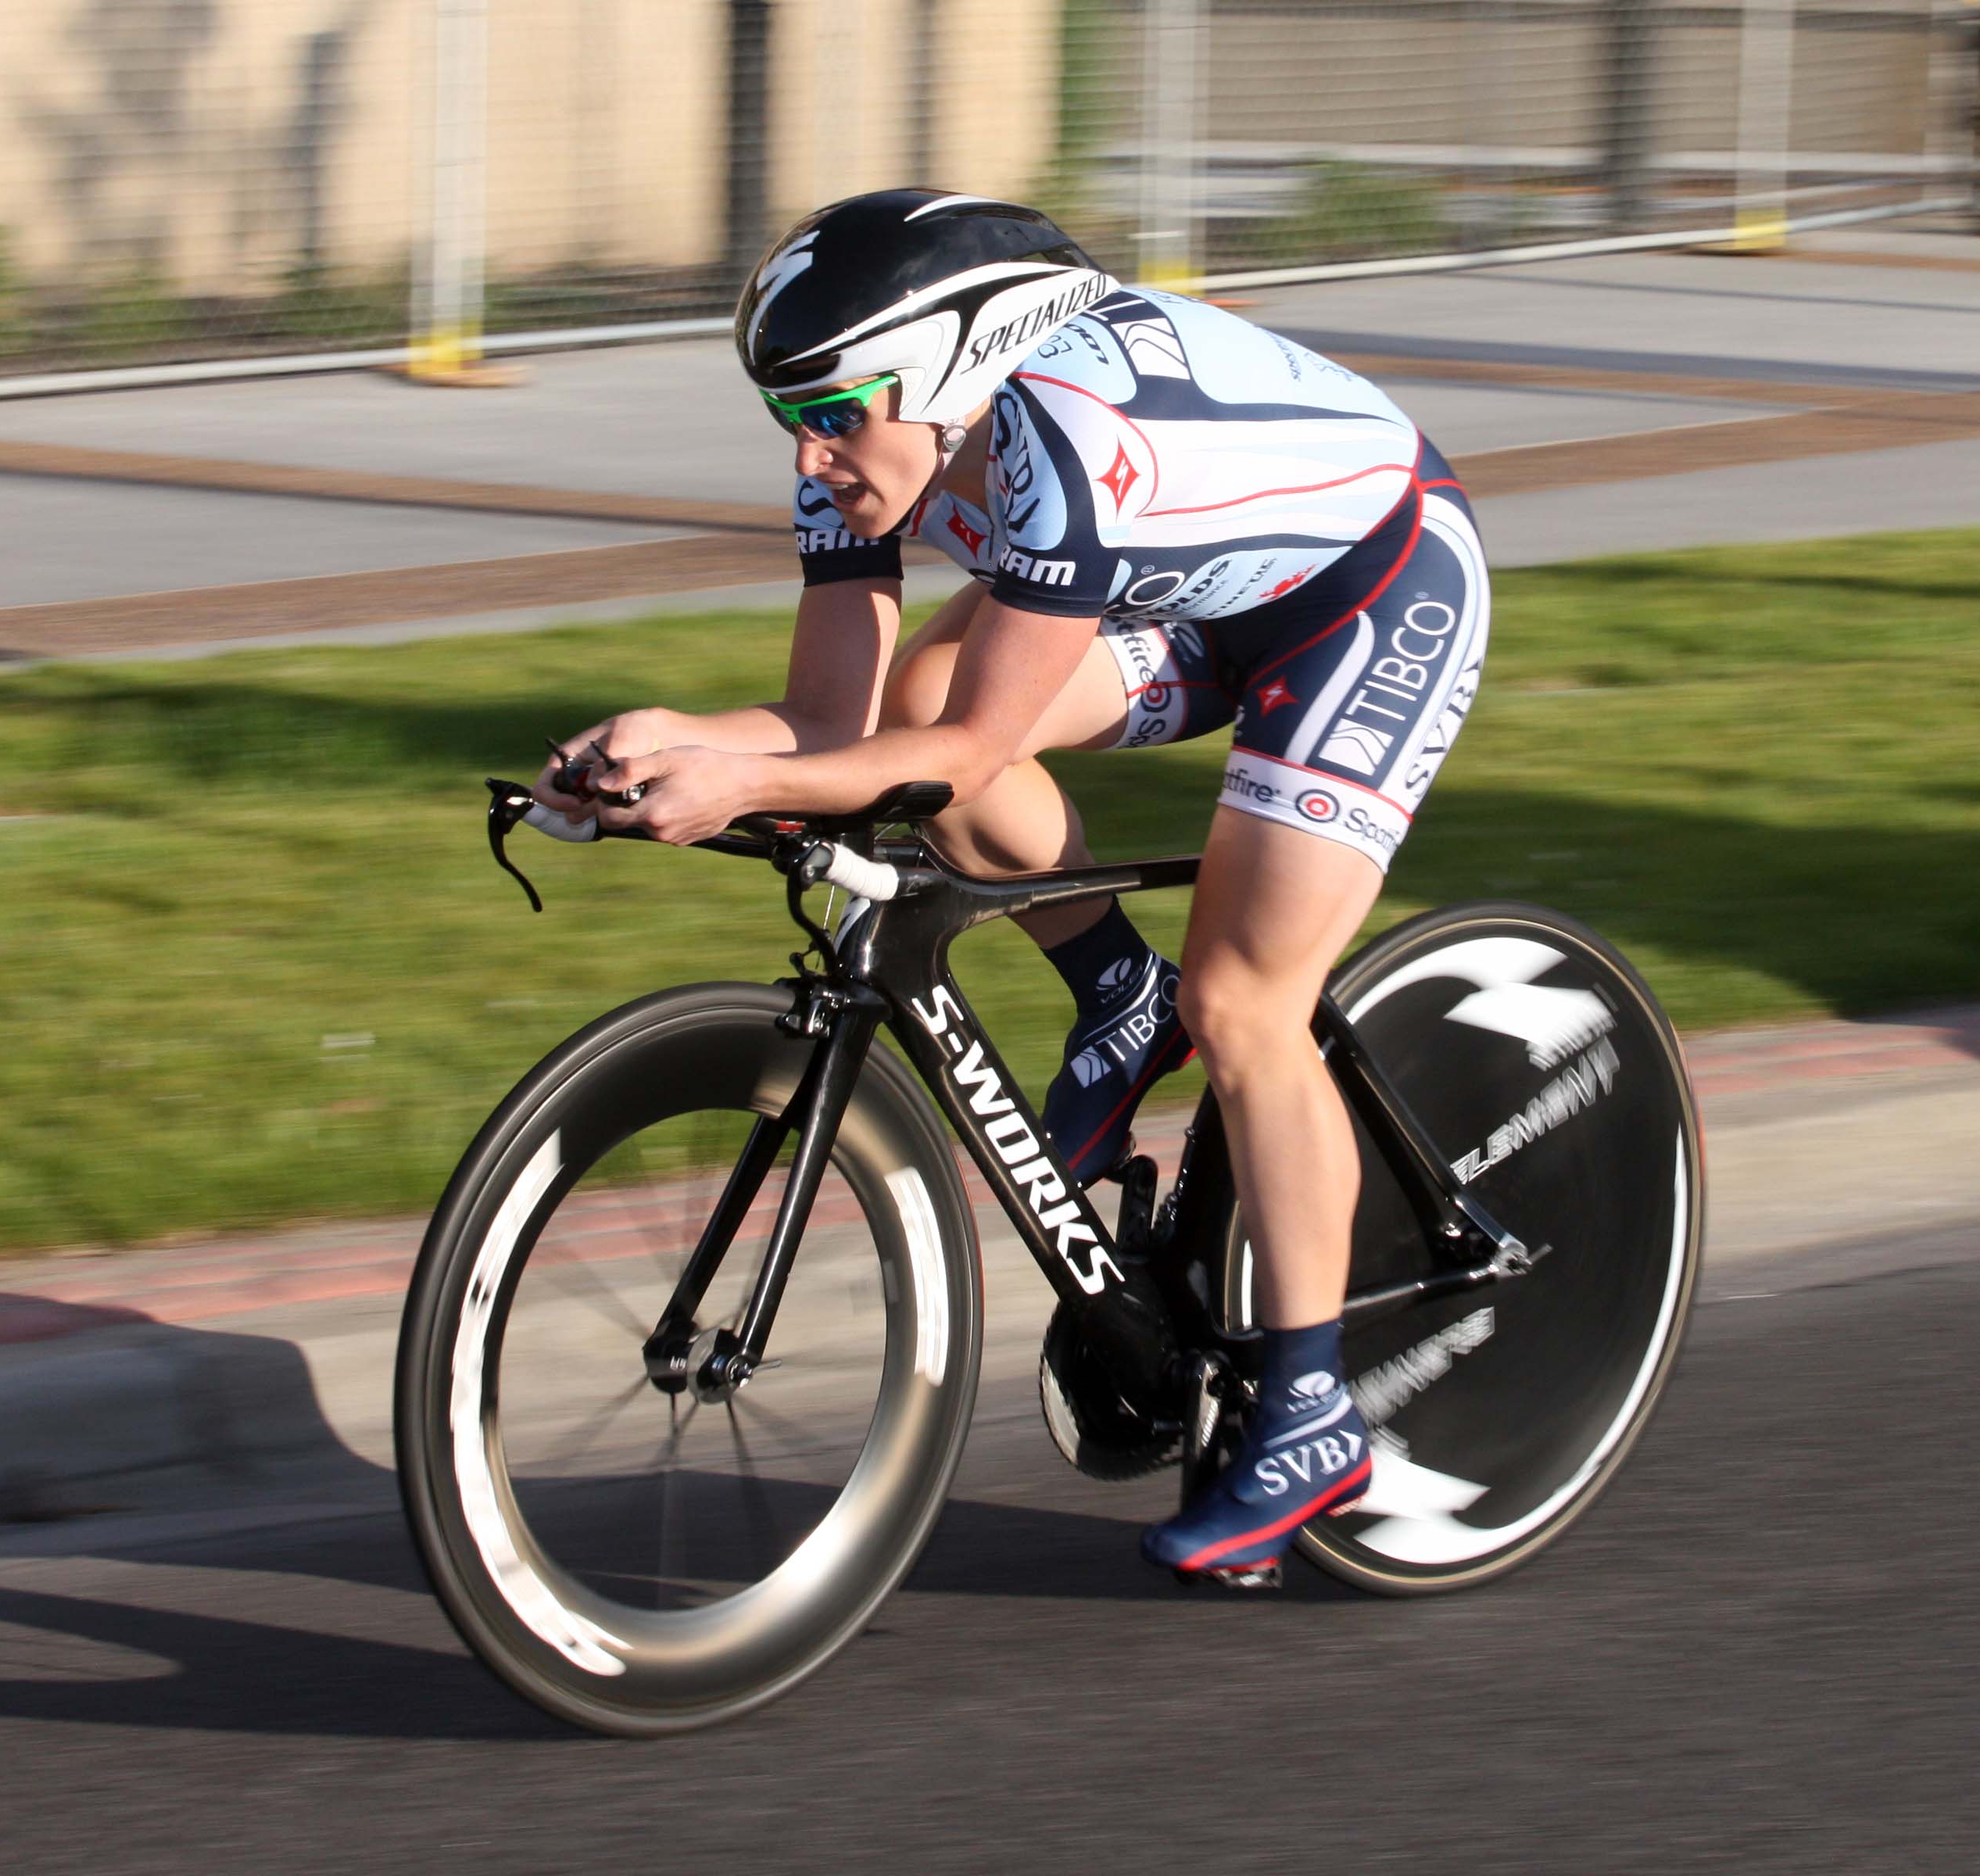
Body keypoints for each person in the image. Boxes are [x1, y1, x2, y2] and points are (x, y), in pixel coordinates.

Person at [535, 189, 1488, 1587]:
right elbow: (835, 722)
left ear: (946, 376)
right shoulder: (870, 444)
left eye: (833, 412)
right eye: (786, 413)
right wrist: (664, 743)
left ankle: (1309, 1413)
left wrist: (741, 784)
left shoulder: (1068, 448)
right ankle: (1115, 987)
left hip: (1368, 594)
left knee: (1244, 1004)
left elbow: (973, 752)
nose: (807, 451)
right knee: (912, 704)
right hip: (1188, 582)